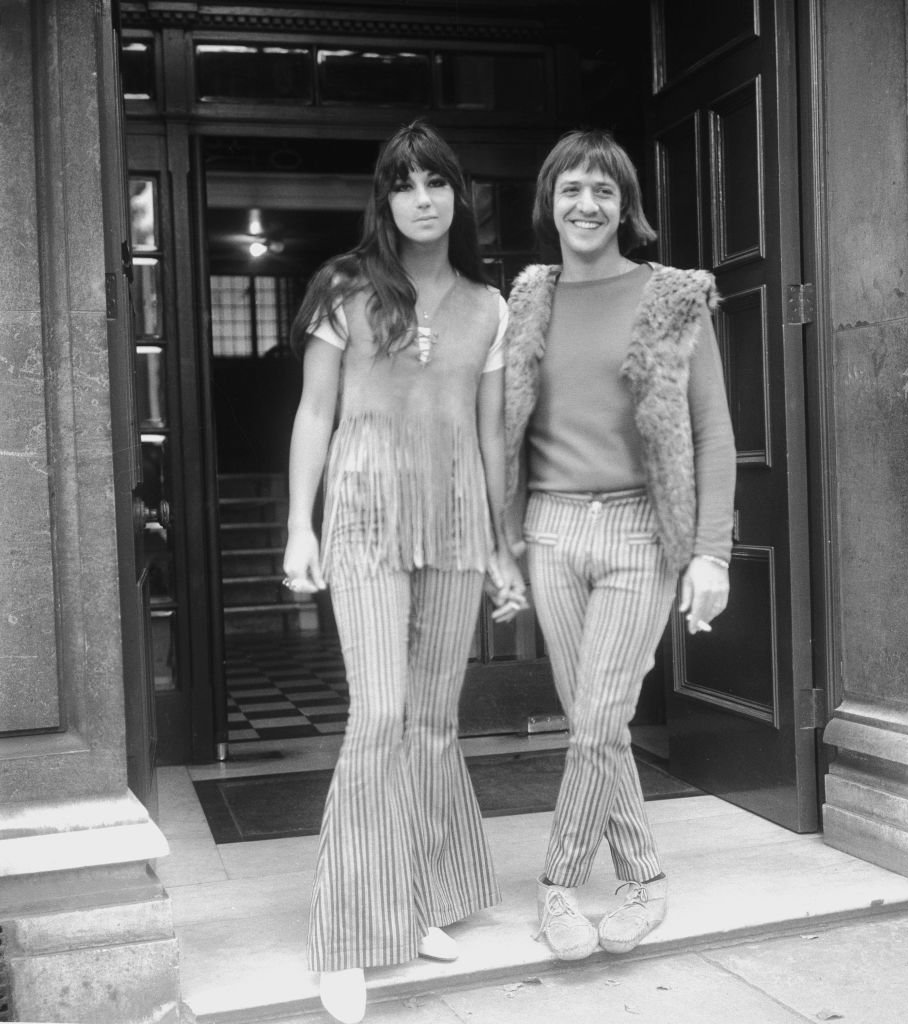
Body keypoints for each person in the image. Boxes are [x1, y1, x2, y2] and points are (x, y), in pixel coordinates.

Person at [282, 121, 525, 1024]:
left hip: (459, 515)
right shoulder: (344, 288)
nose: (422, 198)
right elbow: (315, 413)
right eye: (405, 184)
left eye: (437, 183)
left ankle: (417, 897)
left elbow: (491, 432)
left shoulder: (489, 306)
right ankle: (347, 933)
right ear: (384, 200)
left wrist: (504, 545)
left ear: (458, 197)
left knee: (430, 720)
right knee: (378, 715)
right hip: (365, 514)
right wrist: (297, 528)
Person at [502, 129, 736, 961]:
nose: (586, 204)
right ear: (550, 202)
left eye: (603, 190)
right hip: (553, 529)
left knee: (599, 718)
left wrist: (711, 552)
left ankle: (558, 883)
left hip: (642, 526)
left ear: (625, 205)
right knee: (590, 721)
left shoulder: (673, 296)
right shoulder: (529, 298)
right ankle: (644, 875)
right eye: (571, 189)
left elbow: (712, 429)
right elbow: (507, 426)